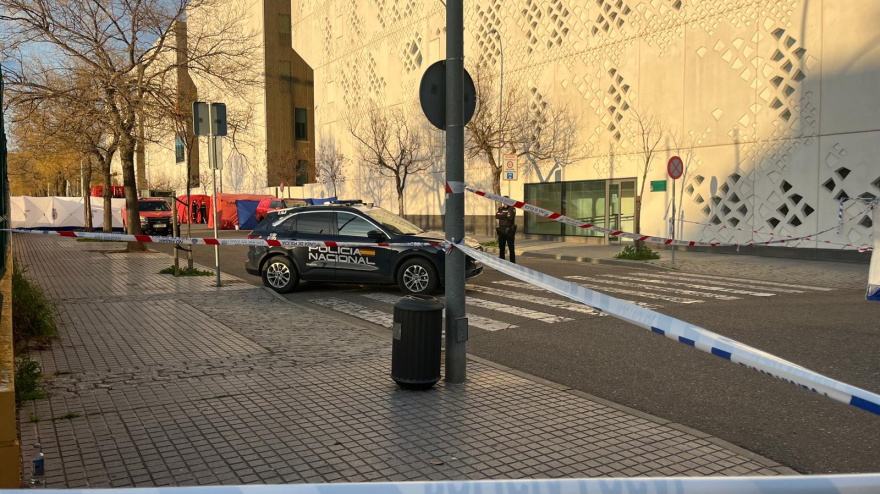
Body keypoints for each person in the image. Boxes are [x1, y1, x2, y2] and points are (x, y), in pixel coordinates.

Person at [495, 197, 517, 263]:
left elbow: (510, 218)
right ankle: (502, 264)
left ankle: (512, 264)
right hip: (501, 230)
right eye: (504, 201)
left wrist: (501, 215)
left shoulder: (512, 208)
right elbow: (497, 216)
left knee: (511, 248)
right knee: (501, 248)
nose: (505, 203)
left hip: (509, 230)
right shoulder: (500, 208)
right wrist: (505, 215)